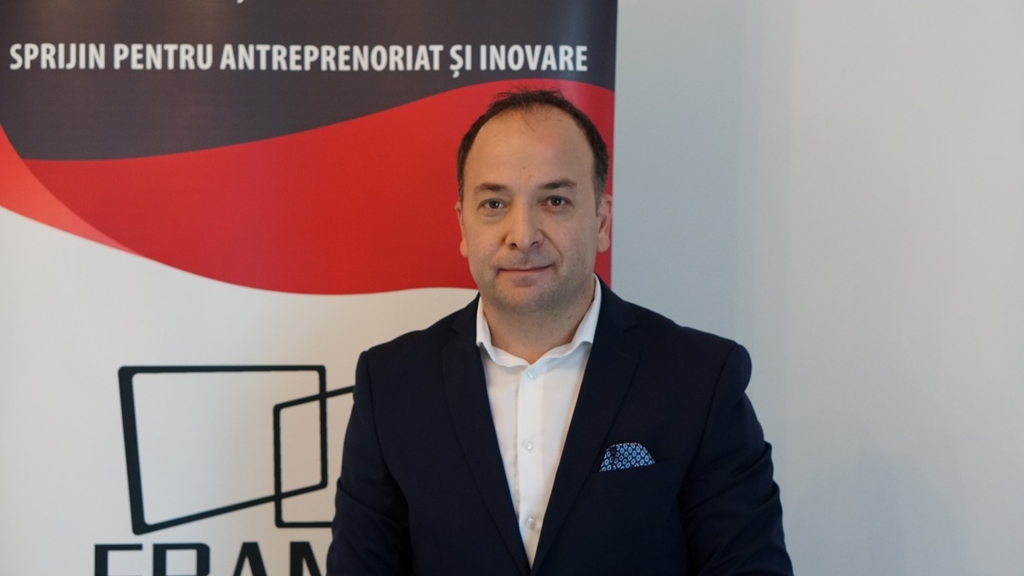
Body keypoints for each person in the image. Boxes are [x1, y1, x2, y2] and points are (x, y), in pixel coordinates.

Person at [327, 89, 793, 575]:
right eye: (494, 203)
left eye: (554, 200)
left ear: (601, 221)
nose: (522, 235)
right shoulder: (392, 385)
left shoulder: (700, 379)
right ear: (463, 226)